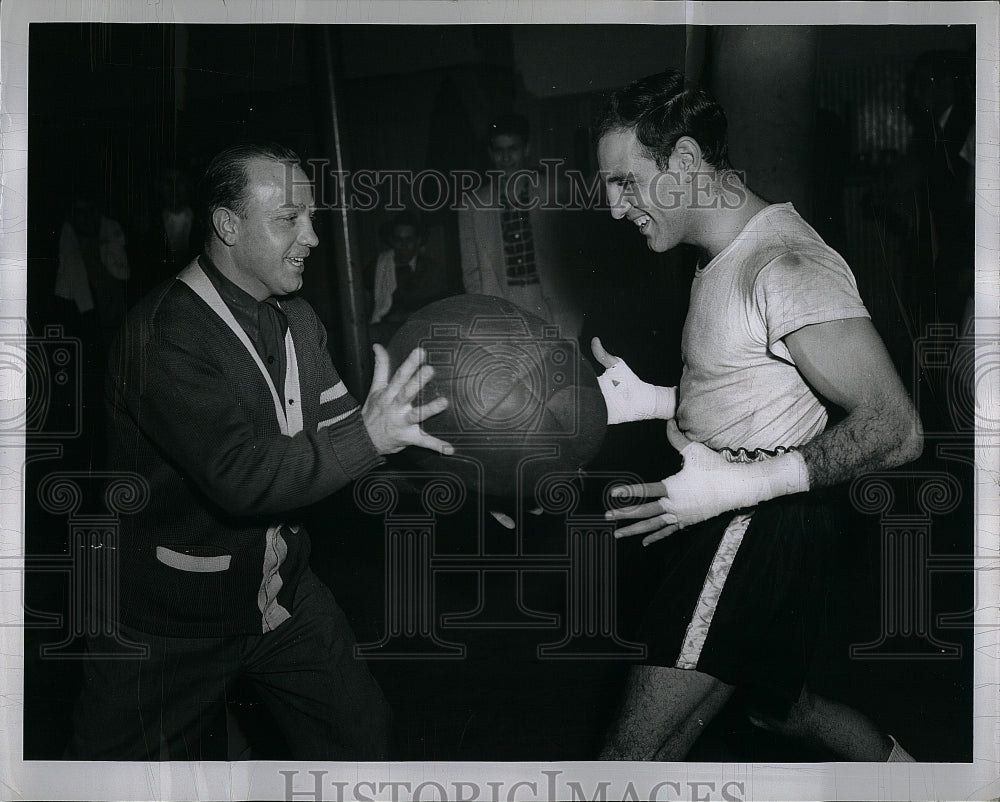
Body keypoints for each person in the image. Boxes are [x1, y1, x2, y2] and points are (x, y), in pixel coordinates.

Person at [66, 142, 453, 761]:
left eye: (312, 217)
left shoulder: (297, 320)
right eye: (288, 218)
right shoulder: (164, 336)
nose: (313, 237)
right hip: (169, 618)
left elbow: (347, 437)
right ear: (226, 224)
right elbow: (241, 477)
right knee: (113, 780)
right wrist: (370, 436)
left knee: (363, 743)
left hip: (279, 592)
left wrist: (481, 480)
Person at [590, 71, 923, 762]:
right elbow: (752, 395)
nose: (615, 208)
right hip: (771, 533)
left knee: (628, 761)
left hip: (750, 533)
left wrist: (738, 491)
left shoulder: (783, 264)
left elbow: (895, 428)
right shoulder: (726, 258)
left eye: (625, 182)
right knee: (781, 713)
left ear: (683, 163)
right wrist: (652, 401)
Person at [457, 112, 583, 338]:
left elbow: (576, 259)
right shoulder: (472, 205)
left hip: (554, 307)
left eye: (512, 148)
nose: (506, 158)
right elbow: (471, 272)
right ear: (490, 153)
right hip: (501, 308)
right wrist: (486, 312)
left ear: (526, 149)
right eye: (499, 150)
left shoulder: (559, 192)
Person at [368, 210, 454, 344]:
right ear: (392, 240)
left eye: (409, 239)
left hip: (420, 330)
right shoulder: (378, 267)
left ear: (418, 240)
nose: (403, 245)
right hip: (385, 331)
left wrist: (407, 315)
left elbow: (441, 309)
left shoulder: (432, 269)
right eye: (398, 239)